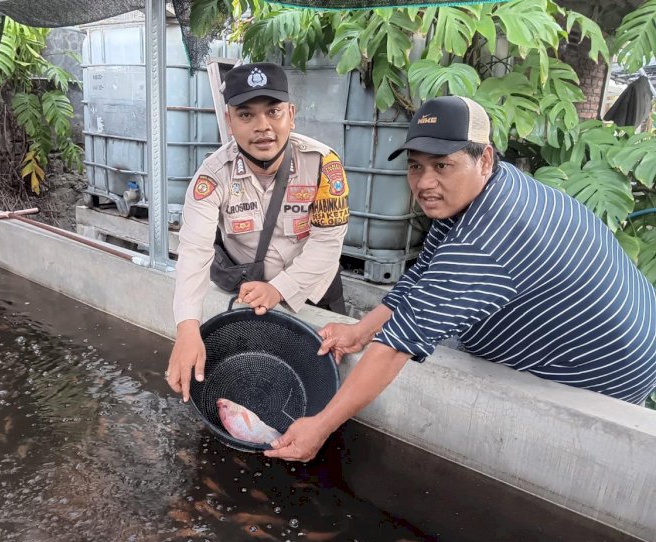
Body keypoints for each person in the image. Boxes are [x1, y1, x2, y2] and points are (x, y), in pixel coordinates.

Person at [264, 95, 656, 462]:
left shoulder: (488, 238)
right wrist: (361, 331)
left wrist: (320, 426)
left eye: (442, 165)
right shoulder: (483, 191)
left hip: (599, 374)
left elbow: (397, 346)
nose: (425, 182)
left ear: (484, 159)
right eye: (416, 166)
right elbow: (423, 275)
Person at [167, 62, 350, 402]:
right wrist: (187, 326)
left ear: (291, 115)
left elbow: (327, 244)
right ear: (229, 121)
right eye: (247, 115)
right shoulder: (212, 177)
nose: (263, 126)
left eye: (274, 111)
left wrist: (279, 289)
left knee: (323, 386)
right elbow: (194, 252)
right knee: (256, 382)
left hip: (313, 291)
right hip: (251, 297)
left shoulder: (324, 165)